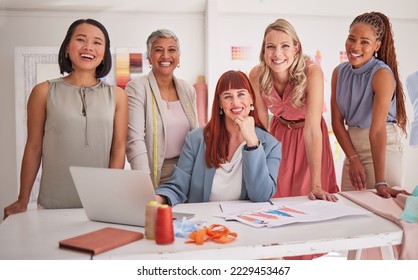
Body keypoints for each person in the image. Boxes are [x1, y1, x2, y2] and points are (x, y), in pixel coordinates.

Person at [4, 19, 128, 218]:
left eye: (97, 42)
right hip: (53, 204)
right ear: (67, 47)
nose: (88, 47)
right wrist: (23, 199)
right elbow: (33, 147)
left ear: (104, 52)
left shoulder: (118, 96)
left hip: (99, 205)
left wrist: (110, 198)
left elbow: (118, 149)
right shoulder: (43, 91)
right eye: (81, 39)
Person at [155, 70, 281, 206]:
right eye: (228, 96)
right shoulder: (196, 139)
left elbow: (261, 195)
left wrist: (252, 143)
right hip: (204, 222)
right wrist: (158, 198)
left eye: (241, 94)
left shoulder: (271, 145)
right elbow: (178, 186)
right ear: (220, 103)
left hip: (244, 223)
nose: (236, 102)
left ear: (251, 98)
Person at [249, 19, 339, 202]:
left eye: (285, 46)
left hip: (310, 136)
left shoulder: (312, 73)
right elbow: (261, 126)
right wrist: (258, 172)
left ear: (296, 48)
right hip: (278, 135)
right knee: (275, 197)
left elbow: (313, 130)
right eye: (271, 47)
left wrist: (316, 185)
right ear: (264, 50)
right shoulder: (256, 75)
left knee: (310, 197)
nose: (277, 54)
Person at [331, 12, 409, 198]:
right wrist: (352, 158)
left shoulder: (381, 74)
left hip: (383, 150)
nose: (355, 46)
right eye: (352, 39)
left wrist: (380, 181)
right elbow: (336, 123)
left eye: (364, 42)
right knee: (350, 210)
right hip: (352, 150)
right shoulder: (339, 72)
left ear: (377, 46)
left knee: (383, 212)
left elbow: (377, 130)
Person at [126, 29, 198, 188]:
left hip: (188, 172)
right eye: (158, 50)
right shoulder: (137, 88)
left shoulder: (187, 90)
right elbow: (134, 140)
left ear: (178, 57)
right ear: (149, 57)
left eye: (171, 50)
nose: (165, 55)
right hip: (155, 174)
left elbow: (195, 136)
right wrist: (144, 184)